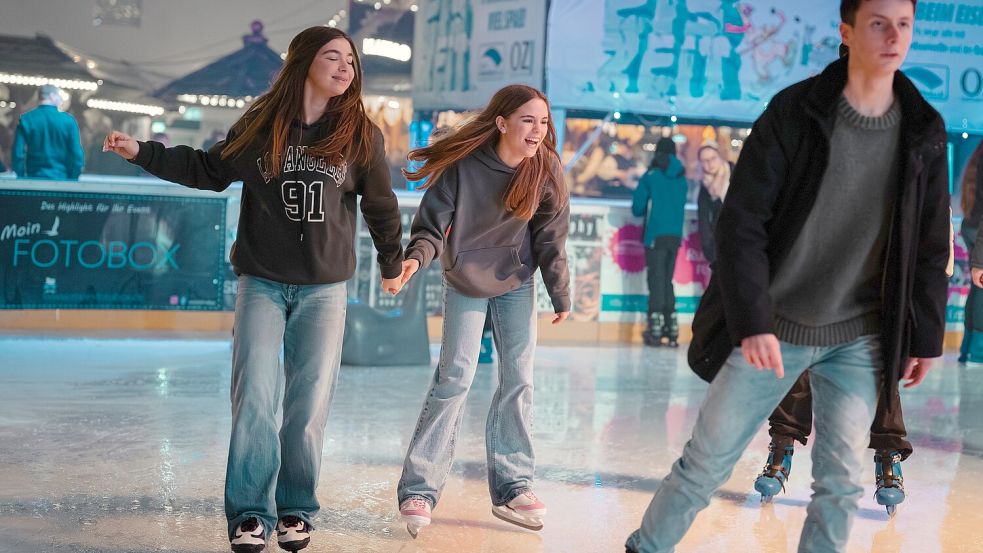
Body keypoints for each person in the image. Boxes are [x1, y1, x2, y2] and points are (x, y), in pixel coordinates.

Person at [626, 1, 949, 551]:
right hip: (773, 329)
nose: (894, 35)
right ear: (846, 31)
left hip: (861, 335)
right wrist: (752, 321)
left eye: (904, 24)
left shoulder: (923, 129)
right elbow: (743, 222)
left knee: (841, 485)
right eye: (878, 22)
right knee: (705, 464)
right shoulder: (796, 112)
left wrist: (924, 335)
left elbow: (928, 242)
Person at [104, 27, 405, 553]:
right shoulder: (263, 121)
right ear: (304, 62)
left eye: (351, 62)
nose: (345, 69)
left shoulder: (360, 133)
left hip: (325, 289)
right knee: (255, 400)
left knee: (308, 404)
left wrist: (391, 262)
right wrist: (141, 153)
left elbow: (381, 205)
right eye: (333, 57)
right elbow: (209, 169)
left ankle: (295, 509)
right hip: (261, 281)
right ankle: (249, 513)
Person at [393, 84, 570, 537]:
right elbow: (431, 226)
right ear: (502, 122)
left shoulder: (545, 168)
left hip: (516, 280)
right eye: (528, 120)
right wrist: (416, 257)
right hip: (467, 277)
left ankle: (514, 484)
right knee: (455, 375)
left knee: (519, 376)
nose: (537, 130)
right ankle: (420, 487)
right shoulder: (463, 167)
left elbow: (550, 236)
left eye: (544, 122)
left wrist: (560, 291)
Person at [631, 136, 688, 347]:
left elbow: (637, 209)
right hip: (675, 236)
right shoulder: (682, 177)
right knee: (667, 280)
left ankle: (655, 329)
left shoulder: (651, 176)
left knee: (656, 280)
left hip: (655, 235)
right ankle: (671, 328)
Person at [11, 84, 84, 180]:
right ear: (52, 96)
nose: (60, 100)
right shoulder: (69, 121)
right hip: (62, 179)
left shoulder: (26, 119)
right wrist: (72, 178)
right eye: (59, 96)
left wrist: (21, 176)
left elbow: (17, 153)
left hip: (33, 179)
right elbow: (76, 155)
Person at [960, 147, 983, 362]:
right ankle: (976, 349)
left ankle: (968, 348)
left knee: (977, 289)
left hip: (972, 226)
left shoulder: (977, 157)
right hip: (979, 230)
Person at [695, 143, 731, 266]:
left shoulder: (736, 174)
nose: (710, 163)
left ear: (720, 157)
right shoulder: (704, 187)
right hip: (719, 246)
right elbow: (703, 219)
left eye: (713, 158)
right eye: (705, 160)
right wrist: (709, 249)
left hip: (742, 241)